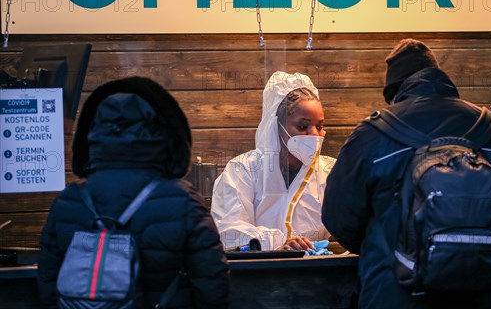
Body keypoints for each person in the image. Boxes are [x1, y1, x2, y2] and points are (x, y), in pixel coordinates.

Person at [322, 39, 491, 309]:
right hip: (487, 294)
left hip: (395, 294)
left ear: (394, 92)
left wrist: (390, 239)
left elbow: (339, 219)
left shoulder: (372, 135)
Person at [37, 77, 229, 309]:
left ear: (91, 137)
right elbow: (211, 283)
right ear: (161, 136)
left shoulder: (69, 201)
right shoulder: (183, 200)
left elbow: (49, 283)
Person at [211, 71, 335, 251]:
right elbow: (229, 229)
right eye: (303, 126)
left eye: (319, 126)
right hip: (261, 273)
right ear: (276, 125)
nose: (315, 134)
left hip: (316, 274)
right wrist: (275, 243)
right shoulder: (243, 170)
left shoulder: (331, 171)